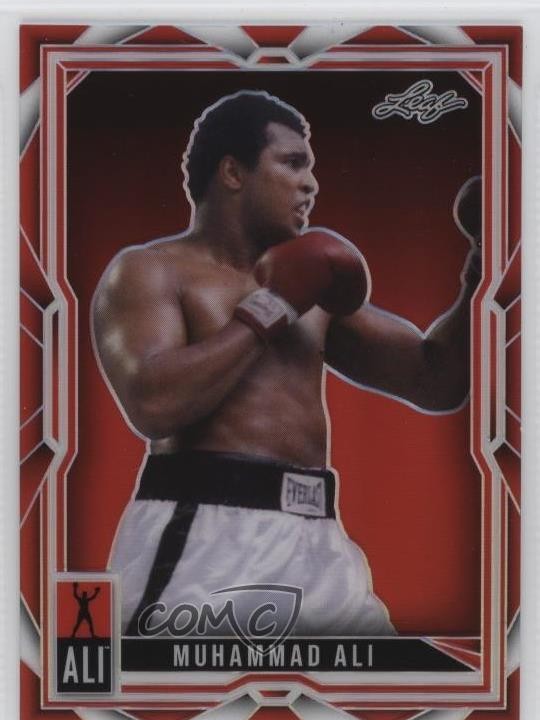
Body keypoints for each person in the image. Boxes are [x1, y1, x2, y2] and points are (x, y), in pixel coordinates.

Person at [91, 90, 481, 639]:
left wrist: (481, 269)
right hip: (201, 535)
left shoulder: (311, 288)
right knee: (191, 695)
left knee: (380, 689)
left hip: (318, 540)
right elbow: (154, 404)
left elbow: (435, 379)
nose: (311, 184)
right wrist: (272, 308)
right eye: (293, 163)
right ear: (233, 172)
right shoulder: (151, 270)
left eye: (311, 168)